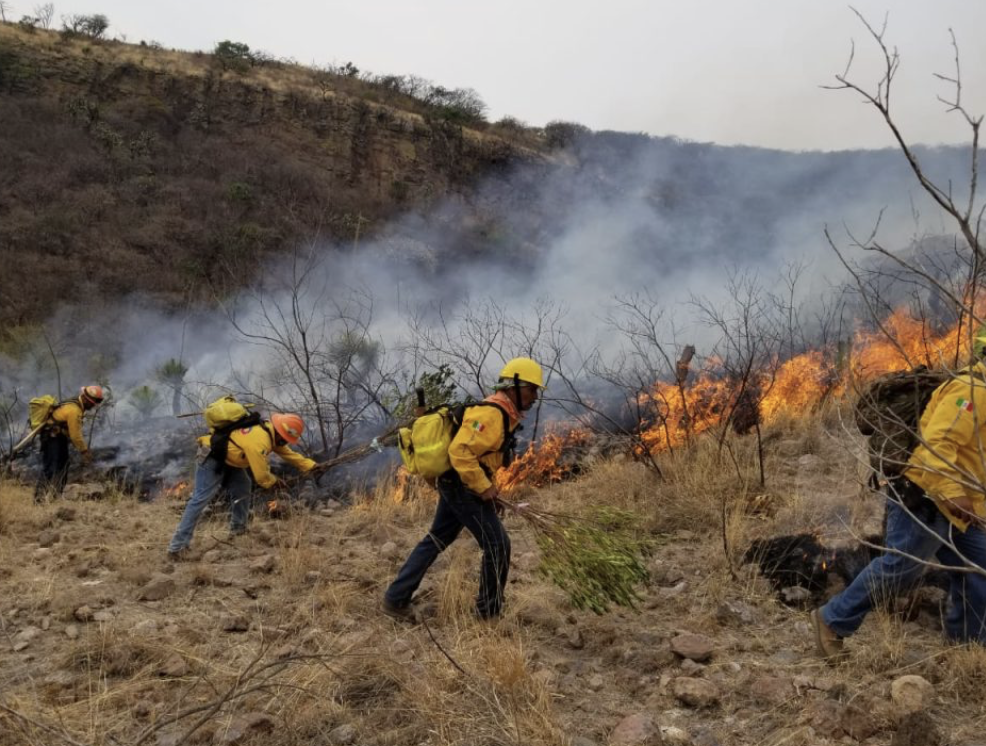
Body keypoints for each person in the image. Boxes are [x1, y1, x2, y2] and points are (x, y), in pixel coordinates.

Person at [811, 330, 986, 658]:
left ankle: (969, 648)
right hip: (926, 497)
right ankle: (832, 620)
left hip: (961, 505)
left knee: (979, 566)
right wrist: (953, 494)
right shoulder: (971, 390)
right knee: (901, 569)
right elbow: (938, 446)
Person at [383, 357, 545, 621]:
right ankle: (488, 615)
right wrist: (483, 488)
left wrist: (487, 489)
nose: (535, 396)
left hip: (458, 483)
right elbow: (459, 452)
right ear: (514, 386)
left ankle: (395, 599)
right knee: (497, 544)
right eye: (531, 389)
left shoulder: (503, 413)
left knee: (437, 538)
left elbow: (480, 456)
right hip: (461, 485)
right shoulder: (491, 414)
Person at [168, 412, 315, 558]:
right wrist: (275, 482)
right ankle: (177, 547)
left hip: (230, 459)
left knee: (243, 486)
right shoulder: (260, 441)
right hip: (212, 456)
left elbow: (288, 453)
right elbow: (262, 476)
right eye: (285, 439)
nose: (285, 443)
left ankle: (238, 530)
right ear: (279, 433)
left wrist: (310, 466)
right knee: (200, 499)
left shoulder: (268, 431)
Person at [34, 385, 104, 502]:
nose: (92, 407)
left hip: (58, 437)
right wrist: (84, 451)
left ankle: (57, 496)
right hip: (53, 437)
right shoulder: (74, 410)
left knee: (63, 465)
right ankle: (39, 498)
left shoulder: (75, 403)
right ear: (86, 400)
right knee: (51, 467)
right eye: (92, 403)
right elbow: (75, 435)